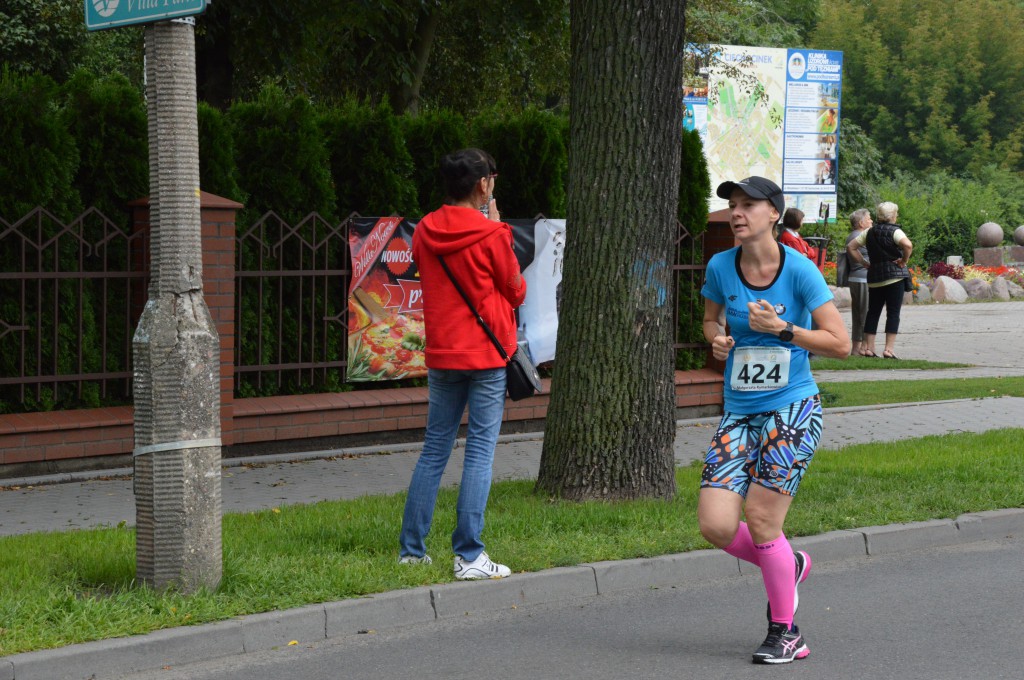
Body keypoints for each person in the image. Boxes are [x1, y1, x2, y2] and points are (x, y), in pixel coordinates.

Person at [700, 176, 851, 664]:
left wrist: (785, 329)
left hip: (793, 408)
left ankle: (786, 632)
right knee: (716, 525)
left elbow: (841, 344)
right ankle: (788, 562)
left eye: (748, 205)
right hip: (739, 411)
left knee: (763, 519)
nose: (736, 214)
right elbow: (709, 319)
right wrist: (717, 339)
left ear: (773, 214)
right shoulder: (722, 266)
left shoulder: (801, 270)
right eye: (732, 206)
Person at [398, 148, 526, 580]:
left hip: (442, 353)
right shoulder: (493, 235)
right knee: (479, 454)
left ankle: (411, 551)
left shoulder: (424, 230)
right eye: (491, 176)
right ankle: (469, 556)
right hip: (486, 355)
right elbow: (516, 291)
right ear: (482, 185)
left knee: (434, 449)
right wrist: (494, 227)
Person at [846, 201, 913, 360]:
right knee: (893, 313)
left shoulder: (869, 232)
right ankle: (888, 350)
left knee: (873, 312)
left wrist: (863, 262)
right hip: (894, 278)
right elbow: (908, 245)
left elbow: (851, 247)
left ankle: (868, 348)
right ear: (893, 216)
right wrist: (904, 260)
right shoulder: (895, 231)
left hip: (874, 277)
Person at [845, 209, 872, 356]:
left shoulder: (851, 236)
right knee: (864, 314)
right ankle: (861, 348)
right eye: (869, 219)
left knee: (859, 314)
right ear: (861, 223)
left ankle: (857, 347)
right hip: (863, 279)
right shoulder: (861, 237)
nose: (871, 221)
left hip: (855, 278)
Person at [778, 207, 823, 272]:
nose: (802, 223)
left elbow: (811, 252)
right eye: (801, 220)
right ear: (795, 221)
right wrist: (807, 253)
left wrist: (807, 254)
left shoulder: (795, 235)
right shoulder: (790, 238)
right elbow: (801, 258)